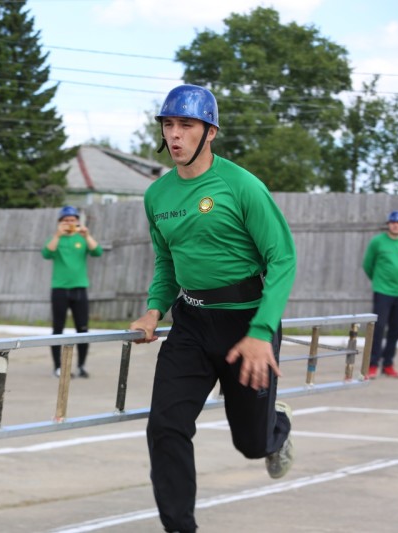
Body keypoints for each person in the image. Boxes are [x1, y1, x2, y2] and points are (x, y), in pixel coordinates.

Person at [128, 85, 297, 533]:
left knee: (251, 442)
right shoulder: (157, 196)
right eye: (169, 125)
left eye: (187, 125)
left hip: (247, 324)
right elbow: (167, 261)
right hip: (190, 325)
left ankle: (275, 430)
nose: (176, 134)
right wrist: (153, 310)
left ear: (210, 132)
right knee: (165, 428)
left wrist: (261, 332)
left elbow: (283, 258)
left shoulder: (241, 186)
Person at [42, 205, 103, 378]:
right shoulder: (55, 239)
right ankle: (58, 367)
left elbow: (97, 252)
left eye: (73, 220)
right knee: (57, 329)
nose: (69, 223)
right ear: (60, 222)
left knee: (82, 329)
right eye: (66, 220)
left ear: (77, 221)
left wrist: (86, 235)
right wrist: (57, 235)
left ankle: (81, 366)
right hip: (60, 289)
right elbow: (47, 253)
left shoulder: (82, 238)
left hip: (79, 288)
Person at [362, 210, 398, 379]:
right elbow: (367, 265)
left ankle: (388, 364)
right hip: (382, 291)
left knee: (396, 330)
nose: (395, 225)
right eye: (393, 222)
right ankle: (372, 365)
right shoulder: (377, 242)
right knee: (378, 328)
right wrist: (378, 281)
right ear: (388, 224)